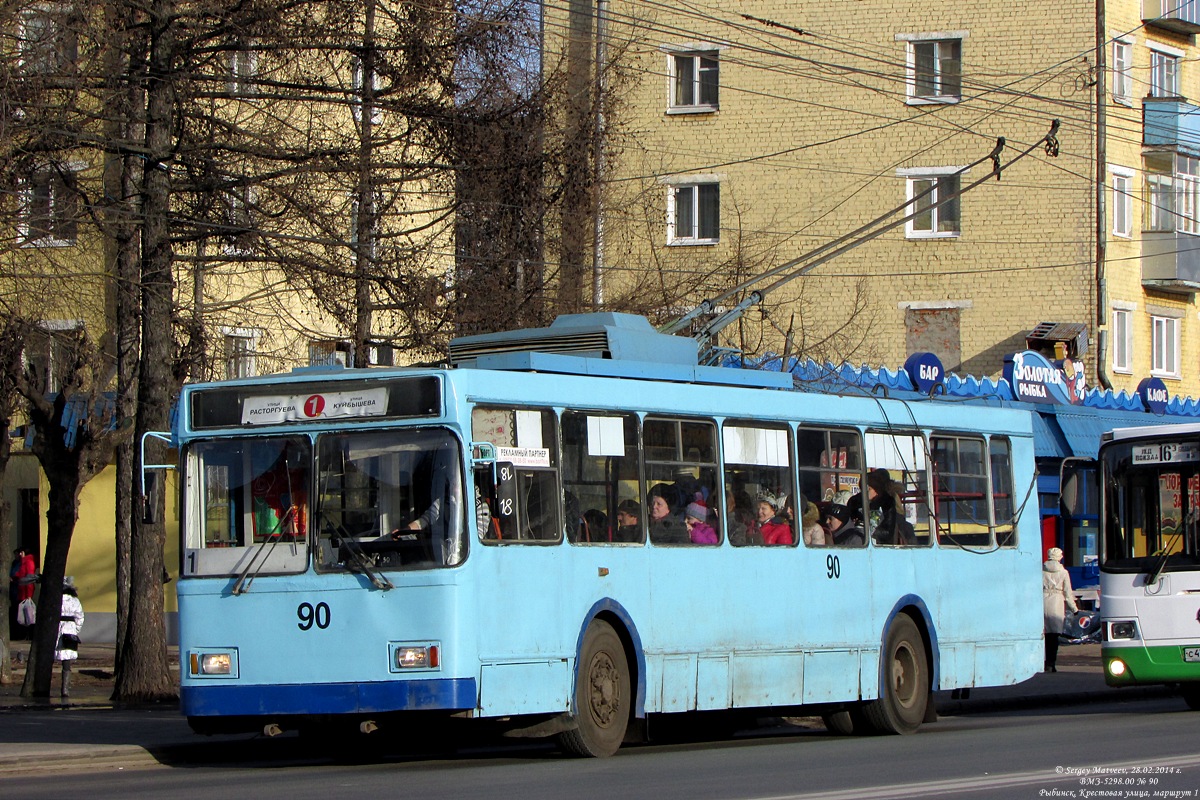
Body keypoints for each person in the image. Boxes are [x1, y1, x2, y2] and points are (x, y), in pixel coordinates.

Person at [1043, 546, 1078, 672]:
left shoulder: (1041, 571)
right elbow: (1068, 593)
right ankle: (1051, 663)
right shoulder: (1063, 573)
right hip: (1056, 603)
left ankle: (1043, 661)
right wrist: (1074, 609)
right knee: (1054, 637)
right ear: (1059, 557)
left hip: (1043, 602)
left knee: (1044, 635)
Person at [56, 576, 84, 699]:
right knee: (66, 661)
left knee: (52, 655)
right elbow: (80, 617)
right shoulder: (75, 601)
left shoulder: (56, 599)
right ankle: (65, 689)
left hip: (58, 628)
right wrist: (75, 630)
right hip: (70, 630)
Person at [11, 547, 37, 640]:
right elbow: (20, 573)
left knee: (27, 614)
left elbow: (29, 579)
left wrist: (29, 595)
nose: (20, 554)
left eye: (21, 552)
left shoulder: (28, 562)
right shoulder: (23, 562)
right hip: (22, 591)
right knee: (23, 614)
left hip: (25, 592)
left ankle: (28, 634)